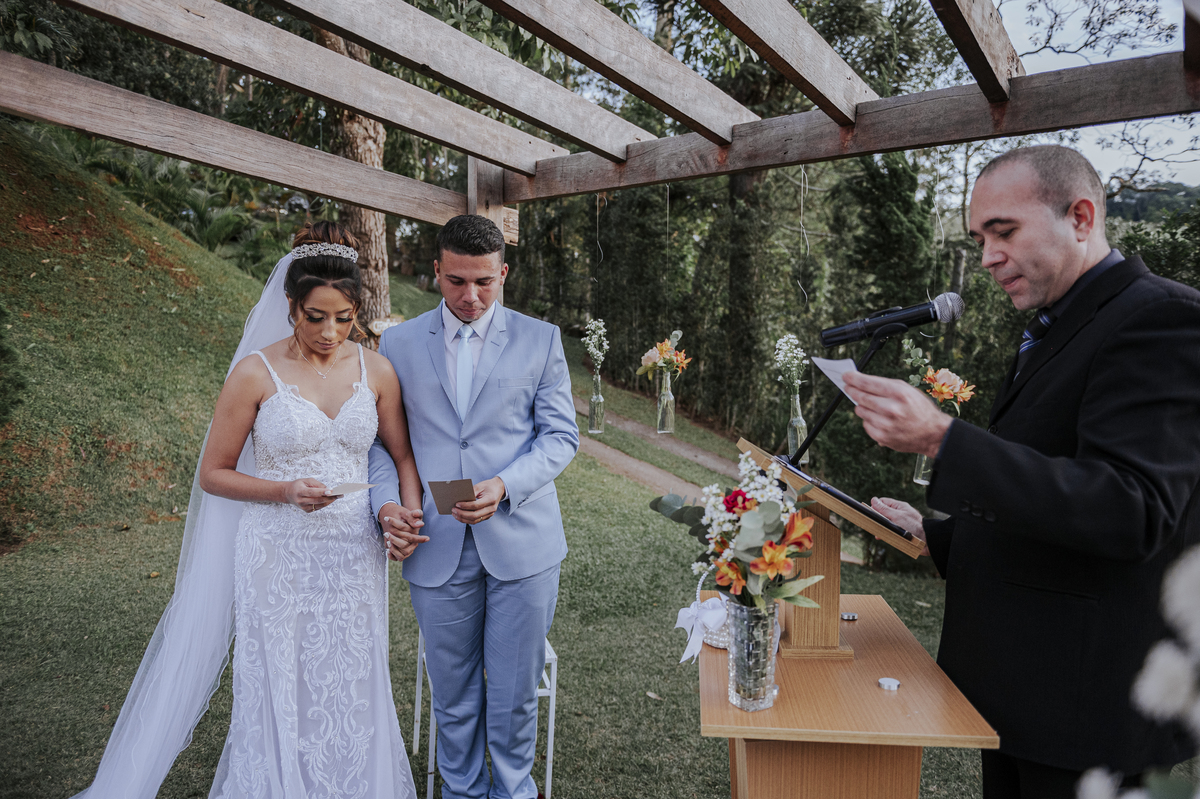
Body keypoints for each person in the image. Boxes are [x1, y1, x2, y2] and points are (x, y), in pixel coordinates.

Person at [841, 145, 1200, 799]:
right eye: (980, 239)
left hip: (1088, 711)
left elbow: (1131, 507)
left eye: (1003, 231)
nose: (987, 257)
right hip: (1025, 696)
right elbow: (1049, 484)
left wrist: (943, 438)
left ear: (1081, 217)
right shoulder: (1056, 326)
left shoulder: (1162, 318)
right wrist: (937, 536)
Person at [73, 222, 421, 799]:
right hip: (276, 552)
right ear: (291, 305)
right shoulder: (255, 372)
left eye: (344, 318)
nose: (330, 331)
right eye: (315, 316)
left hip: (353, 557)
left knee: (350, 678)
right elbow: (214, 473)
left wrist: (405, 516)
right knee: (281, 679)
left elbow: (402, 456)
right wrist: (284, 491)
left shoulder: (376, 371)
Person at [368, 214, 578, 799]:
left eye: (484, 282)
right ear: (436, 270)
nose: (471, 296)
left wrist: (505, 484)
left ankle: (512, 791)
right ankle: (460, 792)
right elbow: (381, 446)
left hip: (524, 543)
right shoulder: (398, 344)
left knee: (514, 696)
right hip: (435, 541)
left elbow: (560, 437)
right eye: (457, 281)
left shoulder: (541, 339)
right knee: (454, 696)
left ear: (503, 273)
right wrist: (386, 505)